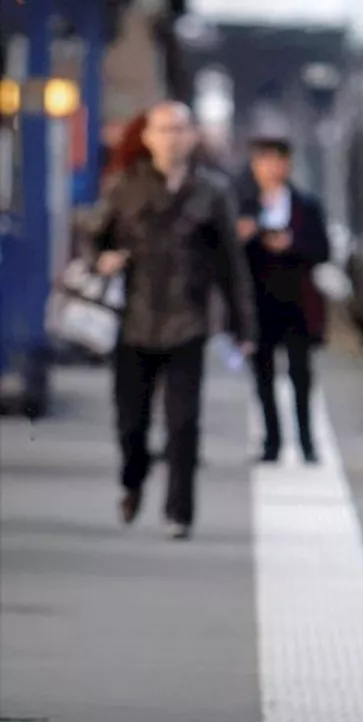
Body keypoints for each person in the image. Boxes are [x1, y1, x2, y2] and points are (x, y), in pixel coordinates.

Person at [90, 100, 257, 540]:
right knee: (132, 423)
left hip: (188, 323)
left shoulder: (212, 192)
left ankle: (178, 512)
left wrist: (243, 328)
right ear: (147, 137)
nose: (172, 137)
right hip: (132, 323)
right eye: (163, 129)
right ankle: (133, 479)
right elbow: (93, 238)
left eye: (180, 129)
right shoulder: (123, 188)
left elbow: (231, 265)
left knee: (184, 423)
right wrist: (102, 259)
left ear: (193, 136)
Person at [240, 136, 331, 463]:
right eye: (263, 161)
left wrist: (290, 244)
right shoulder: (242, 206)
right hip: (257, 303)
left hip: (297, 303)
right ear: (254, 167)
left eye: (277, 161)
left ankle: (307, 443)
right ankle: (272, 442)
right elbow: (225, 254)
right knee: (262, 378)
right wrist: (247, 237)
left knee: (301, 375)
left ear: (287, 164)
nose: (270, 168)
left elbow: (323, 250)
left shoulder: (307, 205)